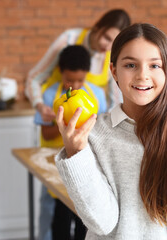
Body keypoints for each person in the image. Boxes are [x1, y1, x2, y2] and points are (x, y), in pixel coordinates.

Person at [53, 23, 167, 239]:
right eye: (131, 65)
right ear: (114, 71)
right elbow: (103, 223)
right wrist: (76, 152)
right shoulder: (92, 135)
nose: (143, 75)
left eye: (154, 66)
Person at [34, 45, 107, 240]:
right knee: (60, 215)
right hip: (56, 165)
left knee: (84, 215)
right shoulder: (50, 96)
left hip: (86, 162)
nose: (74, 86)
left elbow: (102, 130)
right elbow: (47, 135)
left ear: (87, 75)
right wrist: (63, 128)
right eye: (69, 80)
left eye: (80, 80)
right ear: (60, 72)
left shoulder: (96, 96)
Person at [26, 9, 130, 123]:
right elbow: (34, 78)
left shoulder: (112, 55)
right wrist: (40, 106)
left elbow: (116, 99)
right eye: (107, 38)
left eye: (114, 43)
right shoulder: (68, 39)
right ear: (97, 27)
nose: (108, 47)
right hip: (55, 117)